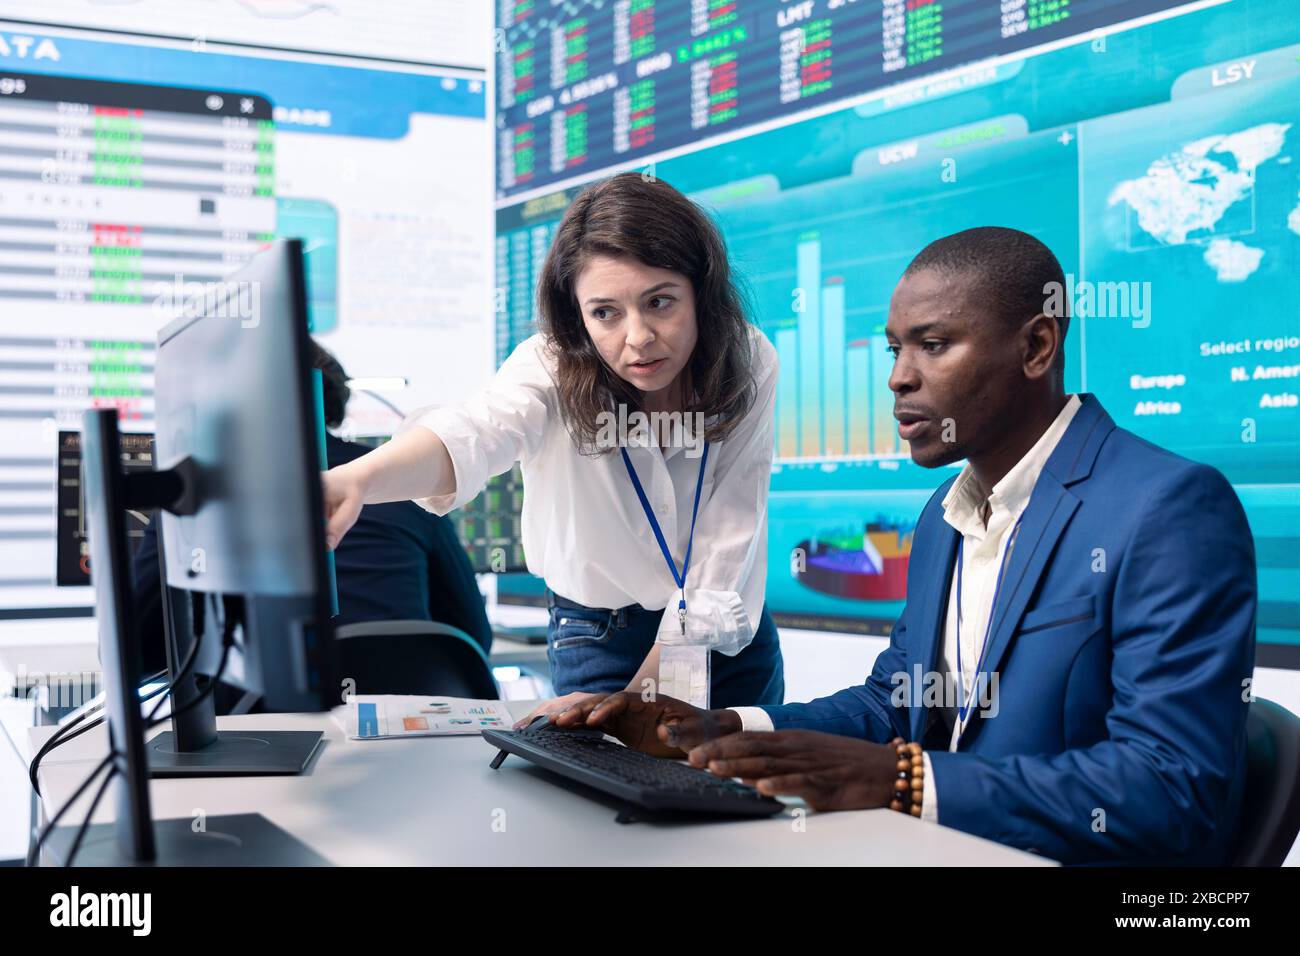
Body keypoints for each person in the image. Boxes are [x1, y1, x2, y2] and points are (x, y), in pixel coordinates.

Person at [554, 227, 1257, 866]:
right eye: (895, 349)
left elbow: (1172, 791)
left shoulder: (1165, 508)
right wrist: (717, 727)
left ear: (1037, 347)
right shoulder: (942, 518)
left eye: (934, 344)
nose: (898, 376)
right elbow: (897, 703)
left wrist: (907, 782)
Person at [321, 172, 785, 716]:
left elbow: (729, 530)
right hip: (600, 638)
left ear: (701, 292)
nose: (637, 338)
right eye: (605, 312)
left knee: (748, 796)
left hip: (728, 637)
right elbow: (475, 432)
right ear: (578, 314)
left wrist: (650, 698)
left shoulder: (747, 360)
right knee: (608, 792)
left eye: (660, 302)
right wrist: (358, 479)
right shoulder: (553, 365)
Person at [131, 340, 493, 679]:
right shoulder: (399, 477)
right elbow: (472, 634)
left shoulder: (206, 491)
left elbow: (138, 653)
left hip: (261, 719)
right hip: (408, 706)